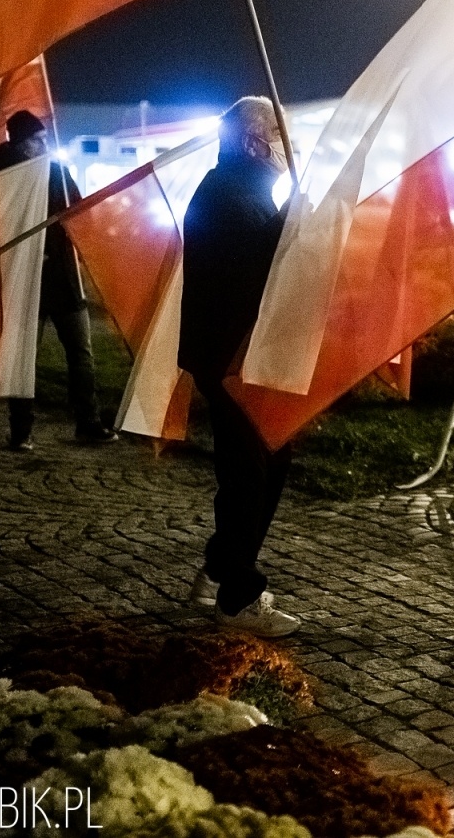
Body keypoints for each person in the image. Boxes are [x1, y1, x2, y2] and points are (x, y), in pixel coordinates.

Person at [178, 96, 299, 638]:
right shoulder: (229, 195)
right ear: (254, 141)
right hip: (229, 357)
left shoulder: (238, 190)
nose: (285, 144)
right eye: (279, 133)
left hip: (238, 354)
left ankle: (220, 568)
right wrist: (296, 223)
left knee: (263, 464)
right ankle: (238, 597)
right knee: (249, 472)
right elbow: (257, 269)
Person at [0, 111, 116, 450]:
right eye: (38, 141)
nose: (45, 146)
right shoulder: (3, 174)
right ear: (22, 144)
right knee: (26, 355)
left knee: (79, 354)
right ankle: (23, 429)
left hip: (62, 277)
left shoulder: (54, 172)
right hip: (26, 277)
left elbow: (78, 212)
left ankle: (87, 422)